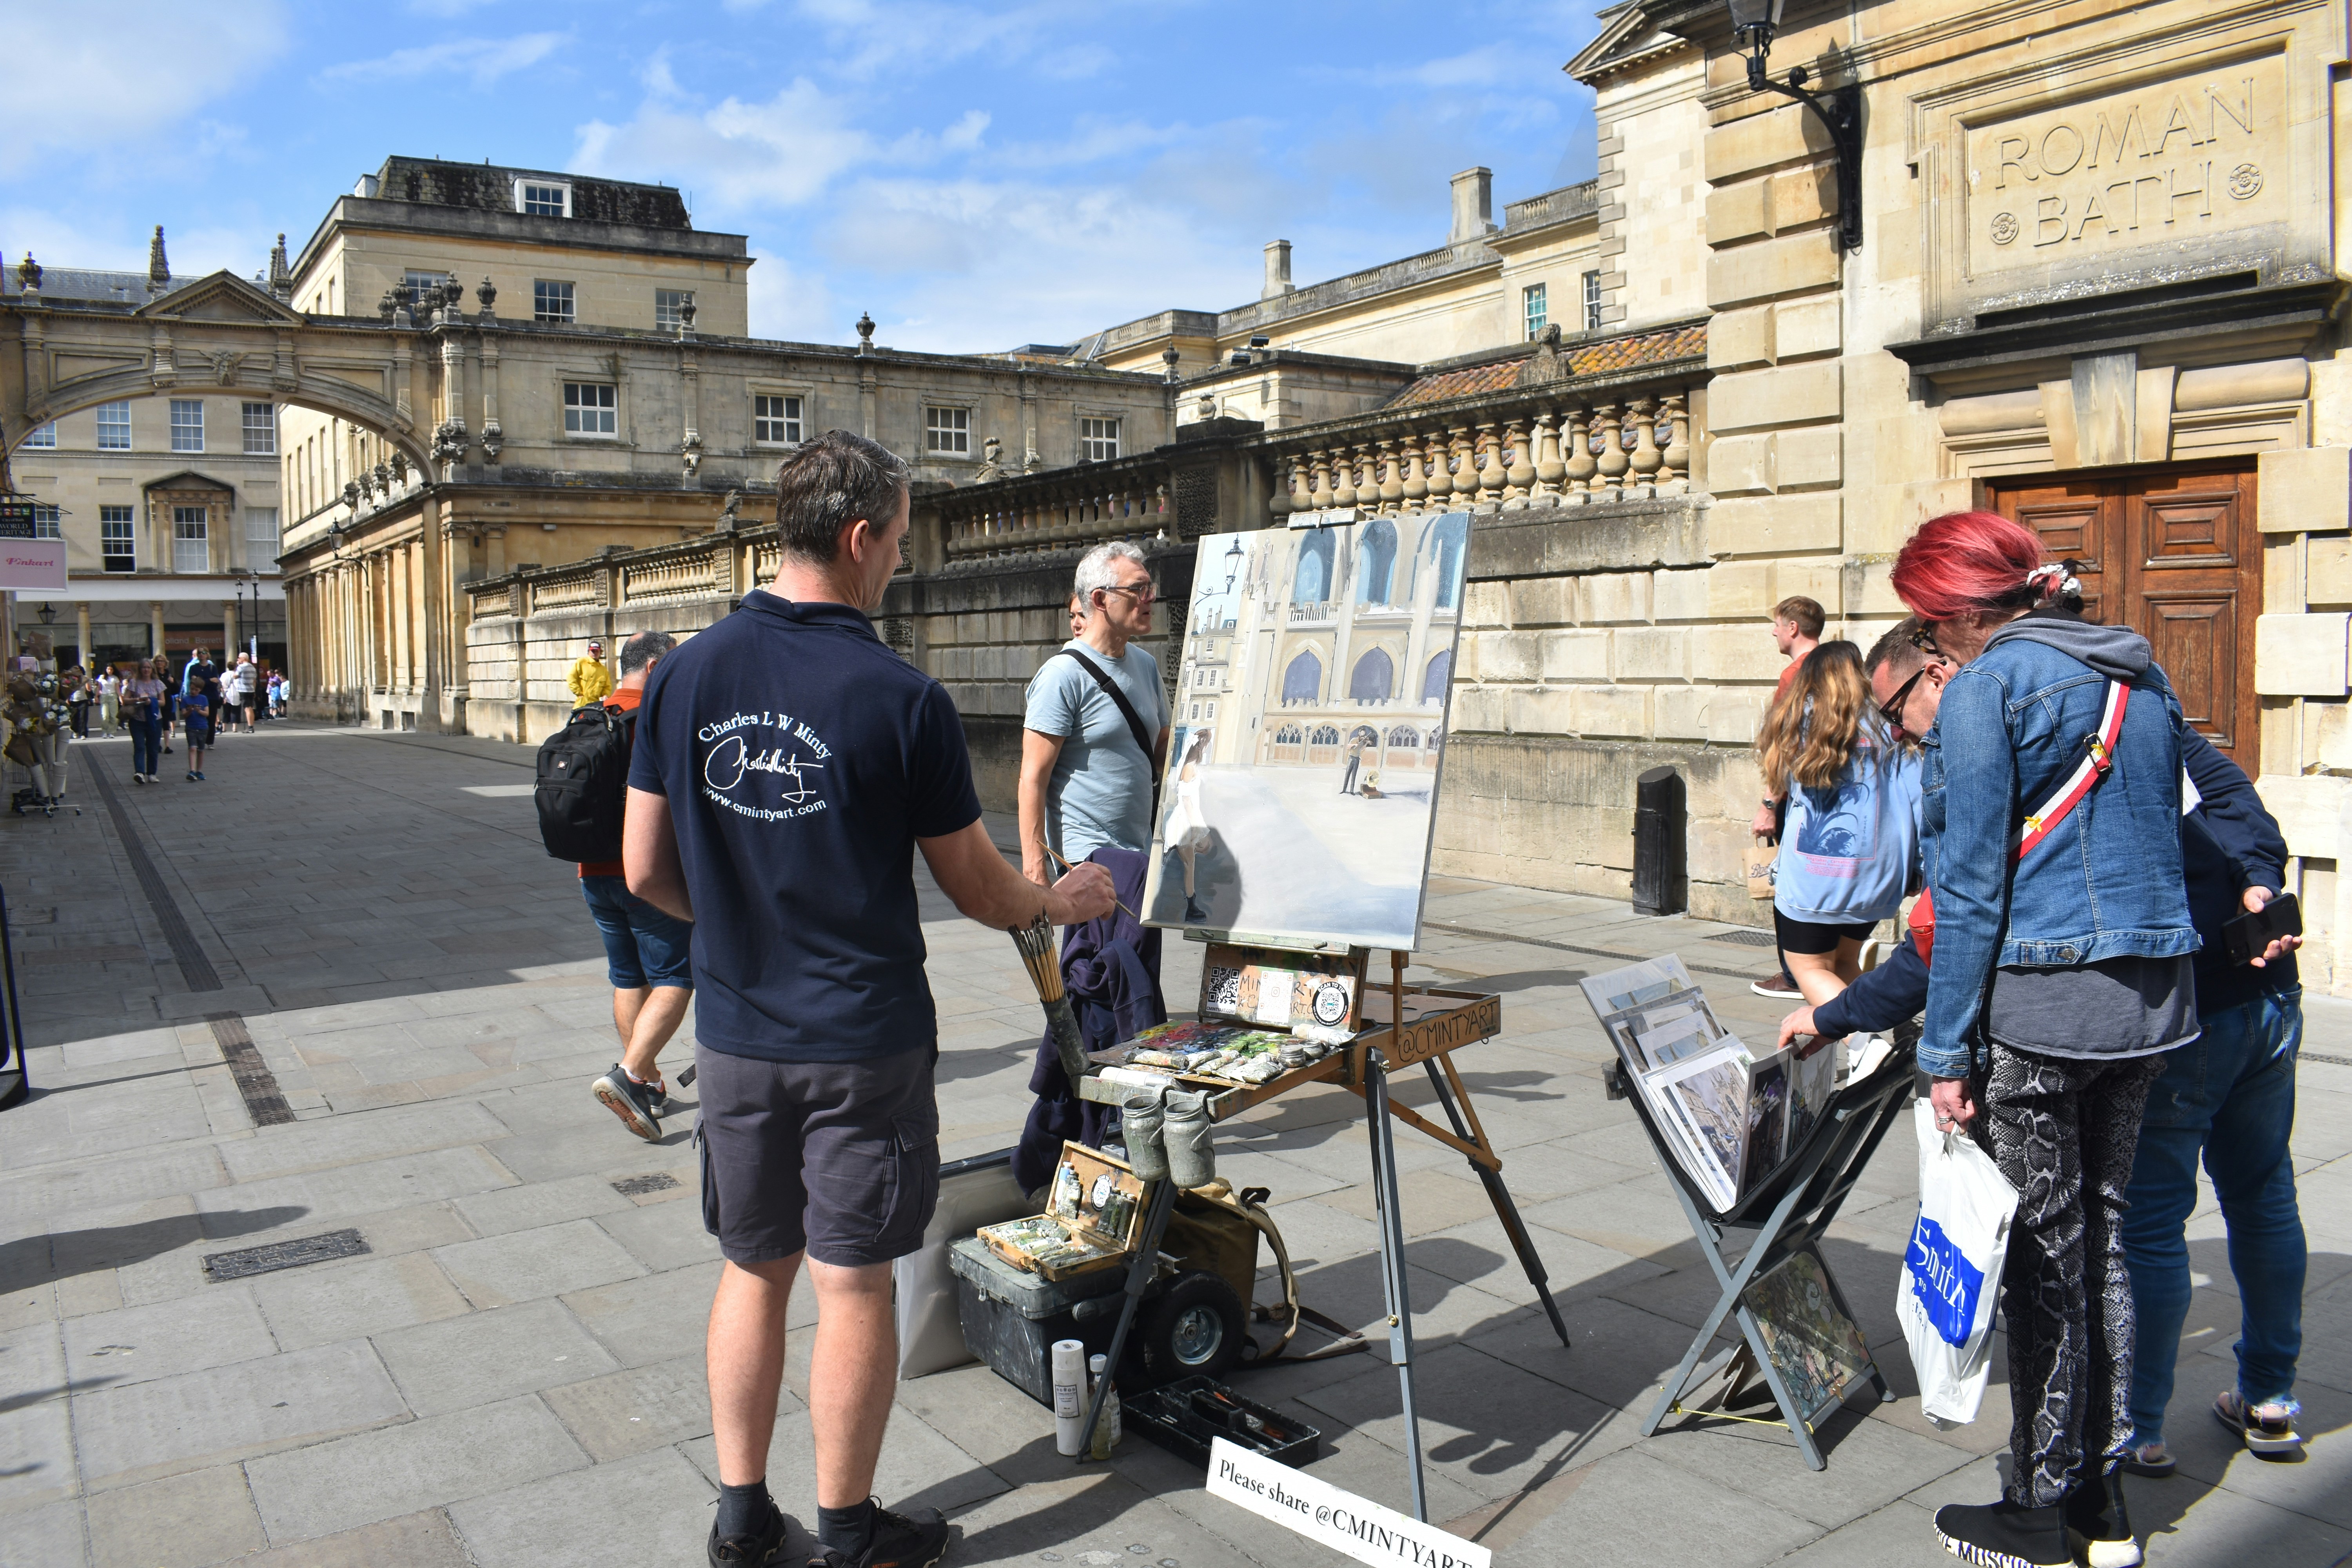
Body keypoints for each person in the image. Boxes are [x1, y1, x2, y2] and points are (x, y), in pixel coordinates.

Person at [624, 429, 1114, 1568]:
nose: (896, 560)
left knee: (753, 1265)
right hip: (863, 1036)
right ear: (857, 537)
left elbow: (645, 870)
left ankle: (742, 1522)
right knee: (850, 1281)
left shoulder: (687, 670)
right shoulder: (900, 695)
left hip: (738, 1031)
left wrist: (745, 923)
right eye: (896, 539)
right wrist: (1059, 899)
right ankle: (848, 1529)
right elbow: (975, 884)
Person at [1793, 616, 2312, 1493]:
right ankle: (2270, 1396)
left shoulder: (2011, 741)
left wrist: (1840, 1013)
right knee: (2263, 1198)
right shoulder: (2140, 707)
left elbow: (1955, 924)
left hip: (2170, 1013)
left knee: (2134, 1226)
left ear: (1943, 667)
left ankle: (2134, 1432)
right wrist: (2259, 875)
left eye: (1897, 710)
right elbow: (2234, 799)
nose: (1903, 733)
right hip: (2257, 997)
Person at [1891, 513, 2196, 1568]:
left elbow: (1970, 890)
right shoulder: (2142, 677)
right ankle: (2102, 1504)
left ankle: (2033, 1511)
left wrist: (1943, 1054)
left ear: (1969, 613)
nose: (1935, 648)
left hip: (2044, 1011)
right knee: (2106, 1240)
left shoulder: (1990, 690)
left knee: (2041, 1259)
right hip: (2151, 1002)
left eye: (1933, 629)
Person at [1755, 640, 1920, 1011]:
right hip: (1877, 874)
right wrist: (1920, 865)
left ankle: (1865, 1046)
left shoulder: (1795, 721)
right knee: (1846, 963)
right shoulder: (1890, 723)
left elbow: (1782, 784)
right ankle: (1887, 1040)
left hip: (1812, 878)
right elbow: (1917, 796)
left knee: (1808, 968)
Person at [579, 630, 693, 1144]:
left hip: (592, 873)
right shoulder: (654, 717)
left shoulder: (589, 714)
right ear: (654, 669)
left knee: (629, 980)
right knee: (677, 976)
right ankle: (630, 1074)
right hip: (645, 874)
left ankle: (646, 1084)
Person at [1018, 539, 1170, 889]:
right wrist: (1034, 868)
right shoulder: (1062, 676)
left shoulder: (1145, 666)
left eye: (1150, 588)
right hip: (1087, 859)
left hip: (1139, 854)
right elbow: (1032, 779)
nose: (1150, 598)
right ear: (1101, 600)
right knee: (1106, 948)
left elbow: (1160, 750)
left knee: (1137, 947)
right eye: (1138, 589)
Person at [1750, 596, 1826, 999]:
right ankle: (1821, 964)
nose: (1774, 631)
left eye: (1778, 624)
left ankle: (1795, 973)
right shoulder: (1842, 669)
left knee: (1789, 884)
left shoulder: (1795, 674)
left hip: (1796, 795)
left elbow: (1784, 747)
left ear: (1794, 628)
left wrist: (1767, 804)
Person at [1163, 728, 1215, 922]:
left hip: (1187, 819)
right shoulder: (1189, 769)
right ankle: (1191, 907)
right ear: (1199, 747)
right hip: (1184, 821)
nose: (1206, 749)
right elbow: (1187, 803)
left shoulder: (1191, 767)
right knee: (1189, 864)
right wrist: (1200, 831)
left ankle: (1190, 904)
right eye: (1205, 745)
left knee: (1192, 860)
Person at [123, 661, 165, 784]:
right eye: (144, 668)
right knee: (140, 746)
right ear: (140, 670)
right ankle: (140, 772)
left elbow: (163, 702)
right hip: (137, 719)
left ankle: (152, 774)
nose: (146, 670)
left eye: (149, 668)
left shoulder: (158, 683)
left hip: (155, 719)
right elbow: (125, 699)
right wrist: (137, 699)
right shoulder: (134, 683)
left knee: (153, 748)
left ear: (152, 670)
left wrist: (152, 702)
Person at [180, 679, 213, 782]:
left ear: (200, 690)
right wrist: (190, 710)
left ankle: (199, 771)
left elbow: (207, 714)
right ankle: (192, 771)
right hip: (191, 727)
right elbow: (184, 715)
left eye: (196, 690)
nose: (193, 691)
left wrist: (200, 711)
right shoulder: (186, 699)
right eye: (192, 689)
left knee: (201, 750)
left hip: (203, 727)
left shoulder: (203, 699)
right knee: (193, 748)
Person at [568, 639, 613, 708]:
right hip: (582, 705)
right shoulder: (581, 662)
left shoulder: (603, 670)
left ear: (600, 652)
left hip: (596, 706)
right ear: (588, 652)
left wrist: (606, 695)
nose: (595, 653)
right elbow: (571, 678)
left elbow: (607, 687)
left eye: (597, 651)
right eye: (592, 651)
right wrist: (579, 693)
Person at [230, 653, 260, 733]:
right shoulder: (253, 668)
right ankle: (251, 726)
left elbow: (235, 676)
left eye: (239, 658)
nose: (238, 660)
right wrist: (254, 690)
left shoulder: (241, 667)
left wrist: (237, 666)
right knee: (250, 708)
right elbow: (254, 681)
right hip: (251, 690)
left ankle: (250, 728)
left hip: (244, 690)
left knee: (248, 708)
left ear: (243, 659)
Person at [65, 667, 90, 739]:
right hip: (73, 701)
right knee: (74, 718)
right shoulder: (71, 679)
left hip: (83, 700)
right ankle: (75, 731)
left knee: (83, 717)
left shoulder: (85, 678)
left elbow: (89, 689)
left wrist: (87, 681)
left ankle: (83, 734)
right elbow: (68, 690)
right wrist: (67, 700)